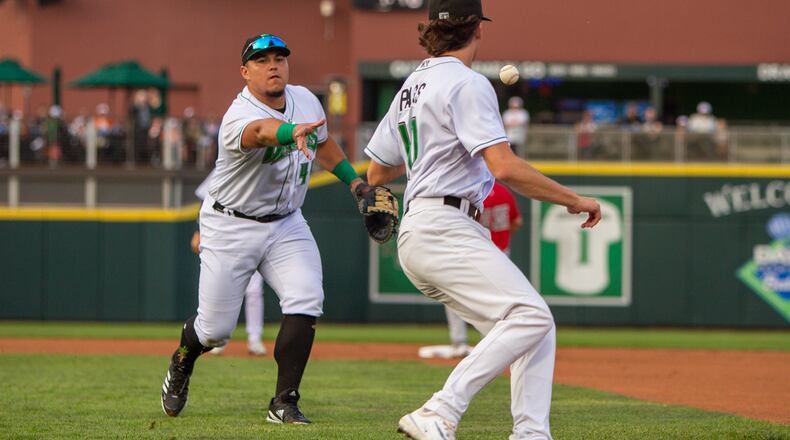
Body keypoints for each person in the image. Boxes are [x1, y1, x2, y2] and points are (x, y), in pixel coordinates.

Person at [364, 2, 602, 439]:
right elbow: (504, 168)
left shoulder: (409, 87)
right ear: (476, 29)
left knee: (533, 329)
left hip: (423, 229)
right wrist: (573, 199)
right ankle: (439, 411)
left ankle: (531, 434)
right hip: (445, 224)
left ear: (429, 33)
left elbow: (376, 173)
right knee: (531, 315)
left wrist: (427, 156)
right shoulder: (468, 83)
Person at [160, 33, 369, 425]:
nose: (273, 65)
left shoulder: (305, 98)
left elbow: (324, 146)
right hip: (230, 225)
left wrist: (357, 184)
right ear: (245, 72)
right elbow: (259, 133)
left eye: (279, 58)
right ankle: (183, 358)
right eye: (261, 60)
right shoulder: (237, 115)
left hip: (287, 222)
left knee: (307, 298)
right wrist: (293, 133)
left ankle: (283, 402)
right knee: (215, 331)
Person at [418, 180, 523, 360]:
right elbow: (517, 221)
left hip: (476, 253)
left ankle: (460, 342)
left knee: (453, 294)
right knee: (496, 302)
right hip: (501, 253)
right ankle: (492, 344)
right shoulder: (504, 192)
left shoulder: (473, 191)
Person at [190, 169, 267, 356]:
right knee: (225, 287)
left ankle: (254, 339)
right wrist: (198, 230)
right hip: (228, 234)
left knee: (254, 290)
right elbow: (205, 197)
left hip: (259, 232)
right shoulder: (227, 164)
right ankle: (219, 341)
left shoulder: (266, 165)